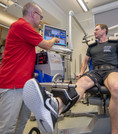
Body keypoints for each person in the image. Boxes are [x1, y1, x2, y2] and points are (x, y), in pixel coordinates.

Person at [23, 24, 118, 134]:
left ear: (104, 30)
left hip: (111, 71)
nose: (94, 31)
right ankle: (56, 106)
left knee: (117, 87)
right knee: (79, 84)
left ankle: (115, 132)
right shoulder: (91, 46)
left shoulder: (114, 43)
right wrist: (81, 73)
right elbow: (85, 62)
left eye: (96, 29)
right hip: (95, 72)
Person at [0, 2, 60, 134]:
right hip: (12, 84)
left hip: (24, 85)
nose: (41, 20)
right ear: (33, 14)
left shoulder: (24, 29)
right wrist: (54, 39)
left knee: (22, 122)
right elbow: (46, 45)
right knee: (7, 127)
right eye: (41, 17)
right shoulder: (22, 25)